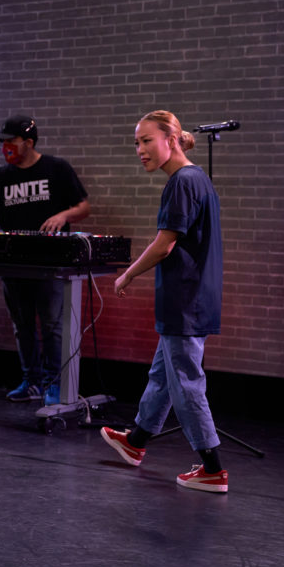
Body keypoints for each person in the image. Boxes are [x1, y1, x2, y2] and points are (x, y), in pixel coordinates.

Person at [99, 110, 227, 493]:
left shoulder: (181, 182)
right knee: (163, 375)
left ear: (171, 140)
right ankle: (136, 442)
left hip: (185, 300)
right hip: (189, 298)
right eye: (136, 143)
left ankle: (213, 468)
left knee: (186, 383)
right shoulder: (197, 178)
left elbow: (164, 244)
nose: (140, 150)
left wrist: (128, 273)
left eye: (146, 140)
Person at [0, 115, 90, 406]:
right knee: (22, 325)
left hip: (50, 262)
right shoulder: (1, 177)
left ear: (28, 143)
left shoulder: (56, 169)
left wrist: (62, 216)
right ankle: (31, 382)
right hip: (12, 261)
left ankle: (54, 385)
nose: (4, 147)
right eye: (2, 142)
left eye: (10, 141)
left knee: (51, 325)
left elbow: (83, 206)